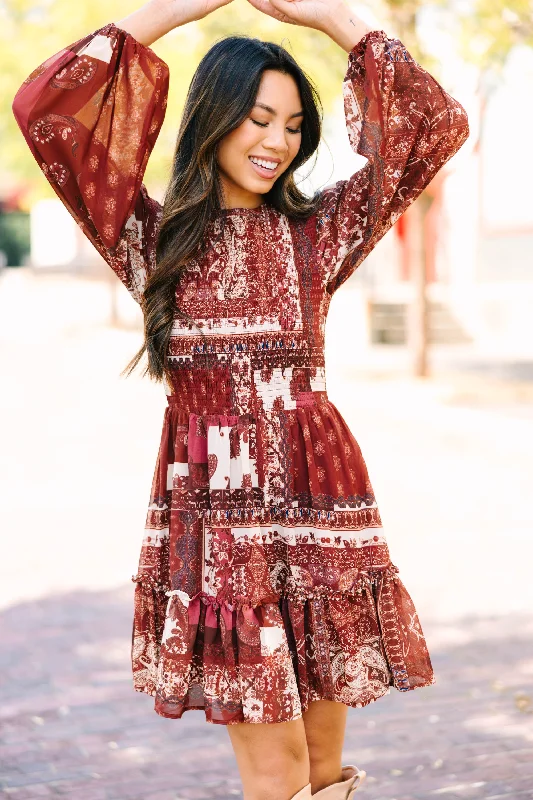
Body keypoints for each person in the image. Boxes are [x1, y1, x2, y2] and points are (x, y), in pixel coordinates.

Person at [12, 0, 469, 797]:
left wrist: (334, 17)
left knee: (323, 770)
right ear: (214, 120)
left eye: (293, 125)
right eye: (258, 118)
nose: (276, 142)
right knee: (278, 770)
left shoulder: (318, 234)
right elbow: (47, 112)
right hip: (220, 531)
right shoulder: (149, 241)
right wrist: (171, 11)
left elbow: (435, 127)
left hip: (320, 511)